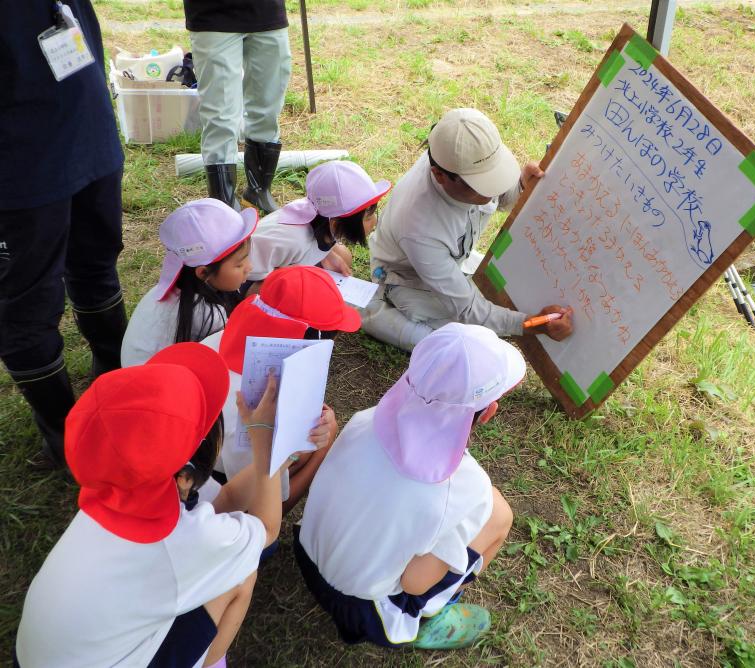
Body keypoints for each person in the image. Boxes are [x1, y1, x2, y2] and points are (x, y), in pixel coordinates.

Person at [15, 342, 284, 667]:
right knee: (241, 576)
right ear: (188, 468)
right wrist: (267, 445)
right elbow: (266, 530)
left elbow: (223, 499)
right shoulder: (182, 539)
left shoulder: (120, 486)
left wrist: (273, 458)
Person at [294, 323, 523, 650]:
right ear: (488, 413)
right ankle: (433, 616)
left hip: (307, 554)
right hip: (362, 609)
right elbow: (415, 584)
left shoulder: (366, 419)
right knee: (499, 515)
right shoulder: (463, 487)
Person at [1, 1, 128, 468]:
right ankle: (66, 438)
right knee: (27, 307)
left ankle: (114, 374)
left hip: (88, 135)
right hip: (22, 165)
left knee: (96, 262)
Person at [361, 107, 574, 351]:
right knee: (464, 340)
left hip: (451, 260)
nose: (491, 191)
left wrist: (521, 185)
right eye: (480, 185)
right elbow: (468, 308)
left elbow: (500, 198)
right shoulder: (420, 227)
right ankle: (377, 309)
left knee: (498, 292)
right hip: (408, 278)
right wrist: (532, 324)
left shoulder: (467, 152)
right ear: (439, 176)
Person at [202, 265, 361, 512]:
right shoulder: (262, 406)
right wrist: (296, 452)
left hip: (199, 463)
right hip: (220, 494)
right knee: (325, 436)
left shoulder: (221, 338)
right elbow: (259, 504)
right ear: (310, 339)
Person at [121, 198, 256, 367]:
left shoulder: (169, 289)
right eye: (239, 264)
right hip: (155, 386)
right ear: (203, 272)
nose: (249, 267)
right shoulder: (208, 314)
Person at [184, 0, 291, 212]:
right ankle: (223, 202)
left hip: (267, 12)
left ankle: (259, 190)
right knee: (221, 115)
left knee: (268, 107)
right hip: (213, 16)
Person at [246, 160, 391, 290]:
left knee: (342, 255)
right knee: (302, 289)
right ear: (335, 223)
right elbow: (245, 272)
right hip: (247, 279)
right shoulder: (294, 241)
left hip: (286, 263)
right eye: (368, 217)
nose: (375, 221)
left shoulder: (322, 217)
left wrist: (327, 255)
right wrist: (304, 277)